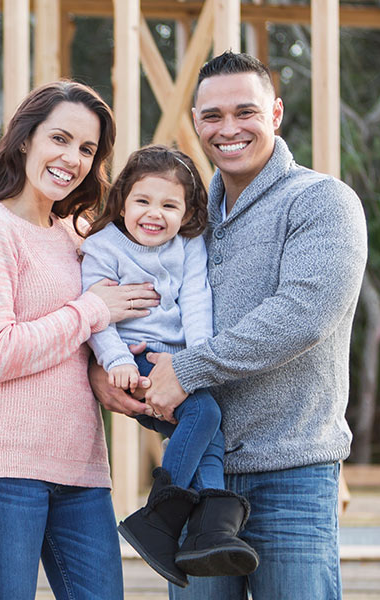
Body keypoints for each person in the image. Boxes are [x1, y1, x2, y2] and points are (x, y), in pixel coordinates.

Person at [90, 52, 368, 599]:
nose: (229, 128)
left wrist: (189, 369)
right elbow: (152, 325)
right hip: (199, 478)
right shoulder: (183, 222)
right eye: (212, 116)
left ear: (277, 113)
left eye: (246, 111)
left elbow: (303, 315)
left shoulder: (320, 201)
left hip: (291, 476)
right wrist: (106, 371)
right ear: (195, 121)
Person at [0, 80, 159, 600]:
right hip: (0, 467)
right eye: (60, 139)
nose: (73, 158)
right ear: (25, 140)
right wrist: (90, 310)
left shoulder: (77, 237)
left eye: (87, 149)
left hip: (81, 467)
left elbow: (86, 341)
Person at [79, 145, 258, 589]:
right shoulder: (103, 247)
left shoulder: (188, 246)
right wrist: (117, 360)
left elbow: (197, 301)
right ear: (122, 201)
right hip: (133, 356)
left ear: (187, 211)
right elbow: (95, 313)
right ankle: (163, 511)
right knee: (206, 415)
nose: (153, 213)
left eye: (169, 205)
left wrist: (193, 363)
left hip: (177, 362)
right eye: (143, 201)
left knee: (205, 423)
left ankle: (211, 523)